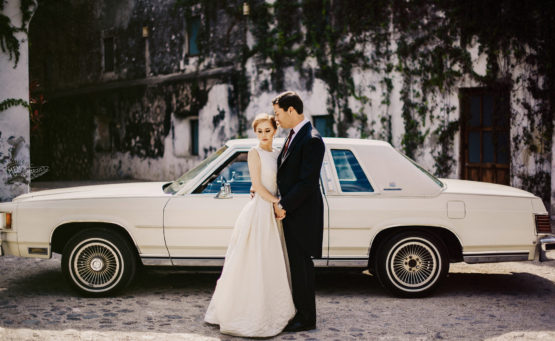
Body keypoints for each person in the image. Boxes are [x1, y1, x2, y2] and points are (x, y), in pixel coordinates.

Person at [204, 113, 296, 337]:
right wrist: (277, 203)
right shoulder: (254, 153)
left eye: (267, 130)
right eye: (259, 131)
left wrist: (279, 201)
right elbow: (257, 185)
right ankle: (246, 312)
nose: (263, 135)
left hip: (274, 212)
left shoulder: (277, 152)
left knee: (271, 262)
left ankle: (274, 309)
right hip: (260, 211)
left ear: (274, 130)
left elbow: (280, 181)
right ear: (255, 133)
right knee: (253, 261)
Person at [272, 91, 326, 332]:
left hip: (302, 215)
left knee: (302, 267)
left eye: (278, 113)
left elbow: (307, 183)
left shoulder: (312, 139)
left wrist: (283, 206)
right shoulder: (294, 136)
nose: (276, 119)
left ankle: (306, 318)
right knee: (295, 265)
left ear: (291, 110)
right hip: (294, 212)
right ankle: (299, 312)